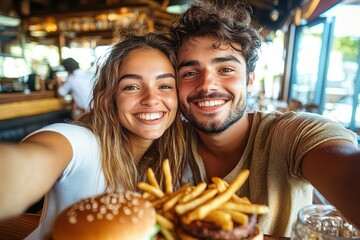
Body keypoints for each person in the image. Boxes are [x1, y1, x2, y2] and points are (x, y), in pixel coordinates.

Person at [169, 0, 360, 237]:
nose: (207, 85)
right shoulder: (168, 141)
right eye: (190, 73)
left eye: (226, 69)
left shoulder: (293, 134)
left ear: (249, 79)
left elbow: (349, 174)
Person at [0, 31, 189, 239]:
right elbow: (29, 162)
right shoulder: (83, 143)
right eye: (132, 87)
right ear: (111, 97)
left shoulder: (178, 154)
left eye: (165, 86)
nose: (151, 99)